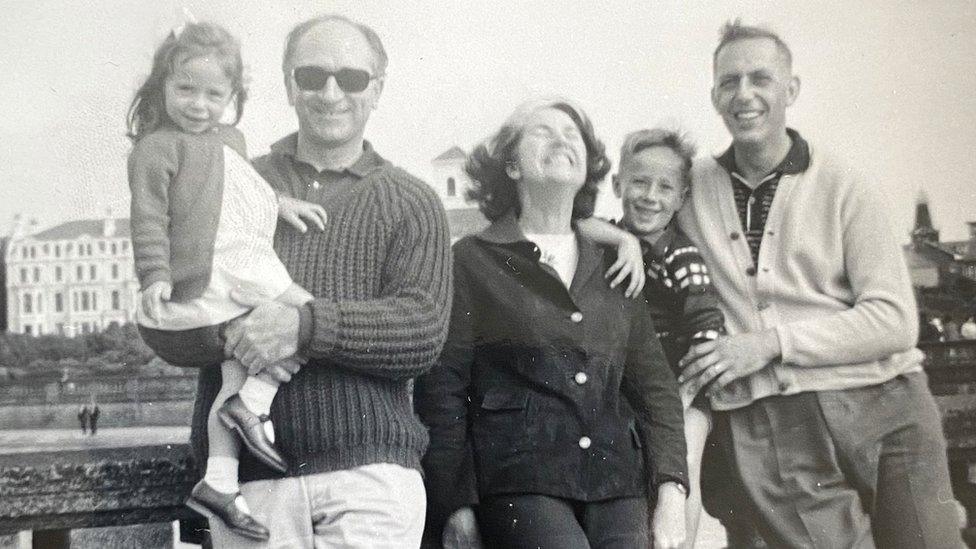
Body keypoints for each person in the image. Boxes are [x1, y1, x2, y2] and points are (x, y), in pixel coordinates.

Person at [678, 20, 963, 547]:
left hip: (891, 407)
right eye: (729, 82)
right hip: (773, 421)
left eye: (760, 79)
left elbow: (896, 320)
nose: (744, 94)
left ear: (791, 90)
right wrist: (618, 237)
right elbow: (626, 212)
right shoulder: (690, 187)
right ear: (714, 95)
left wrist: (769, 344)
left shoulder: (847, 184)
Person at [199, 14, 452, 548]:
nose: (331, 92)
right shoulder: (231, 179)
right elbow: (172, 308)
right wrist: (231, 335)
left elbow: (422, 332)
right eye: (312, 76)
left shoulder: (413, 200)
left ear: (377, 89)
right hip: (250, 492)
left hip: (371, 483)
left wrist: (304, 327)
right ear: (289, 83)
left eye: (352, 79)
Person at [415, 98, 688, 549]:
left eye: (573, 133)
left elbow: (655, 389)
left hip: (617, 480)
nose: (561, 138)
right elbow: (442, 389)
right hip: (516, 479)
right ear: (512, 166)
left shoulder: (616, 263)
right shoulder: (471, 260)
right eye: (542, 131)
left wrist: (671, 491)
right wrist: (454, 504)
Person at [127, 22, 326, 542]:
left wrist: (281, 204)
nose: (198, 104)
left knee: (240, 366)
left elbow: (240, 190)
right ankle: (254, 406)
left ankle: (219, 480)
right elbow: (148, 218)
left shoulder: (231, 139)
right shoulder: (156, 148)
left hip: (239, 261)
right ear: (162, 88)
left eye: (214, 94)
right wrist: (154, 274)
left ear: (233, 97)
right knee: (310, 317)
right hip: (215, 271)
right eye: (185, 90)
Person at [585, 128, 726, 546]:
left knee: (681, 470)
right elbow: (575, 222)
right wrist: (623, 238)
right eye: (639, 182)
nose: (650, 196)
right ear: (617, 185)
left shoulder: (681, 256)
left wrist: (684, 395)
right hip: (628, 387)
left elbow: (706, 328)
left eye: (665, 187)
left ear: (682, 198)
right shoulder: (608, 241)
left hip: (683, 388)